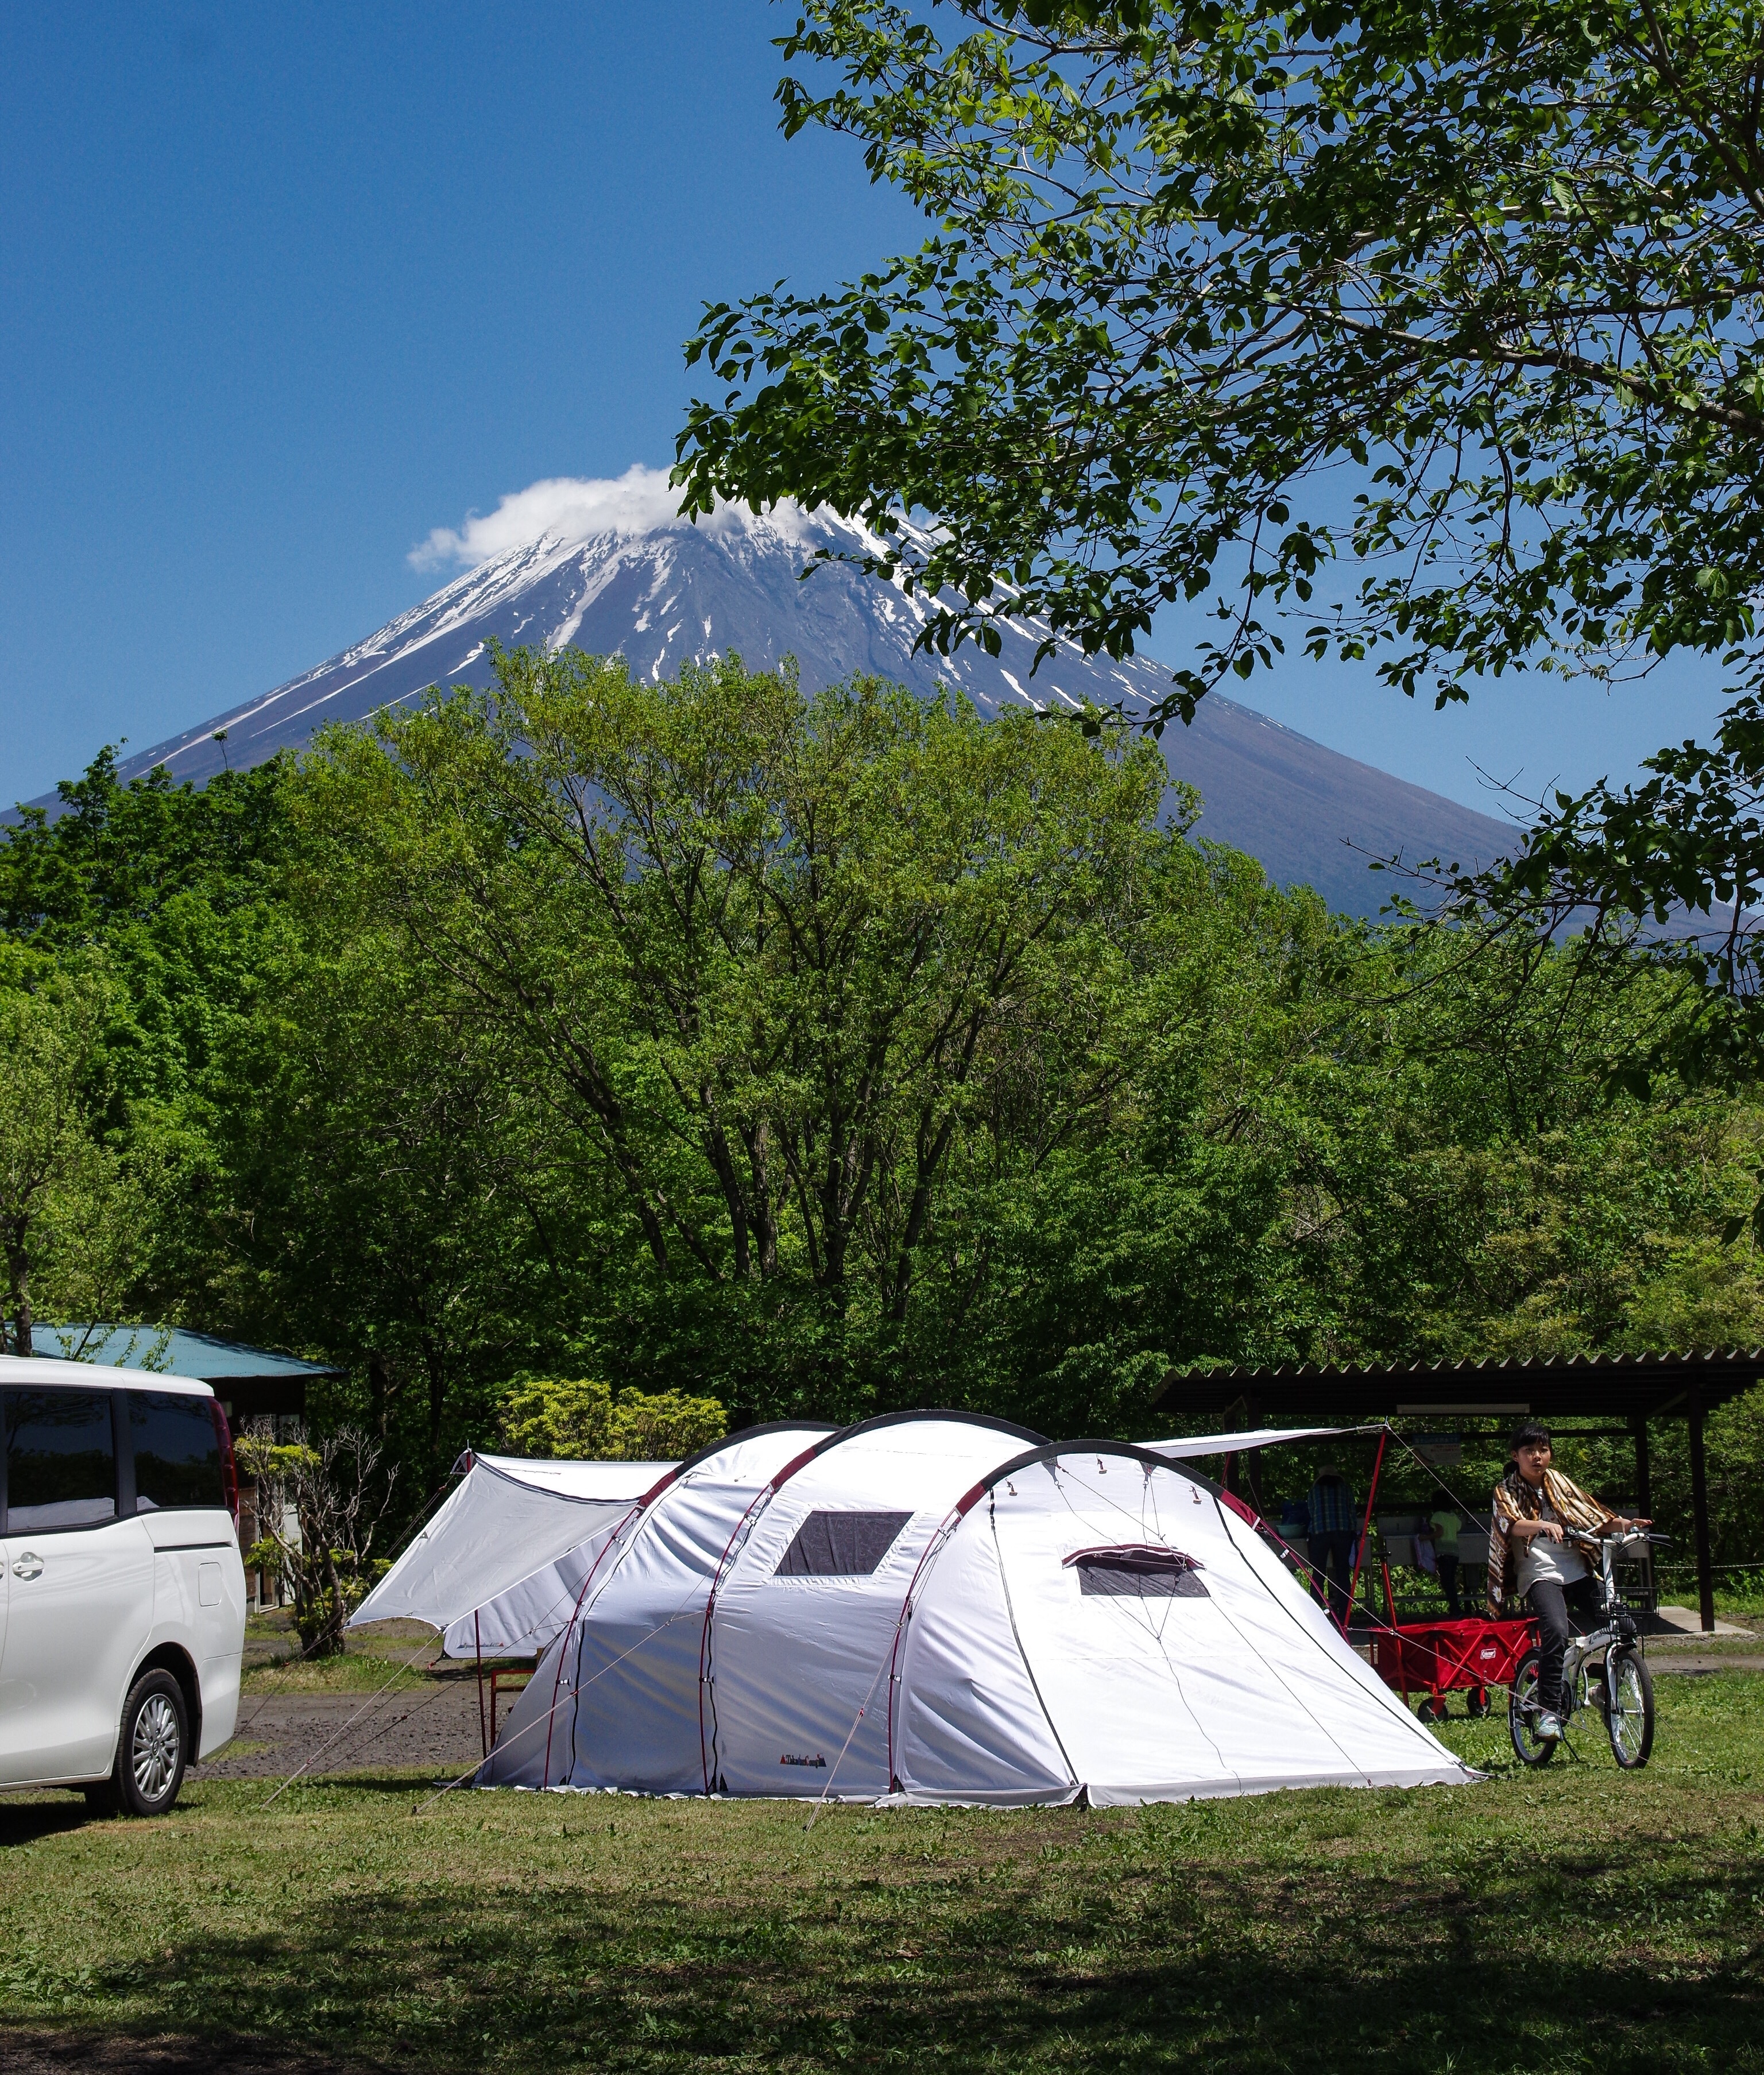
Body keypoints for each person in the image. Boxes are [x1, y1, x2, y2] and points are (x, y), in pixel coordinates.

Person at [1487, 1420, 1647, 1742]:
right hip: (1539, 1573)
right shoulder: (1506, 1489)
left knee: (1624, 1626)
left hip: (1576, 1570)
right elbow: (1510, 1524)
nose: (1537, 1457)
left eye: (1543, 1450)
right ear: (1515, 1456)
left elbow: (1593, 1515)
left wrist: (1627, 1524)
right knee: (1557, 1631)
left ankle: (1604, 1688)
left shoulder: (1559, 1483)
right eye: (1529, 1451)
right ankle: (1549, 1712)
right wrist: (1541, 1524)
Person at [1306, 1464, 1358, 1625]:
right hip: (1343, 1531)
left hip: (1320, 1531)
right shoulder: (1345, 1489)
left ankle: (1316, 1615)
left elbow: (1311, 1511)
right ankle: (1344, 1615)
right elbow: (1352, 1511)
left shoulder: (1314, 1491)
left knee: (1318, 1573)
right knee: (1342, 1573)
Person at [1430, 1505, 1463, 1617]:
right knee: (1450, 1581)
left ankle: (1456, 1610)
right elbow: (1459, 1528)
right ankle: (1455, 1609)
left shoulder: (1438, 1515)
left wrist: (1425, 1537)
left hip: (1444, 1552)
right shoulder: (1453, 1516)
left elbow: (1439, 1532)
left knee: (1447, 1582)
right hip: (1455, 1552)